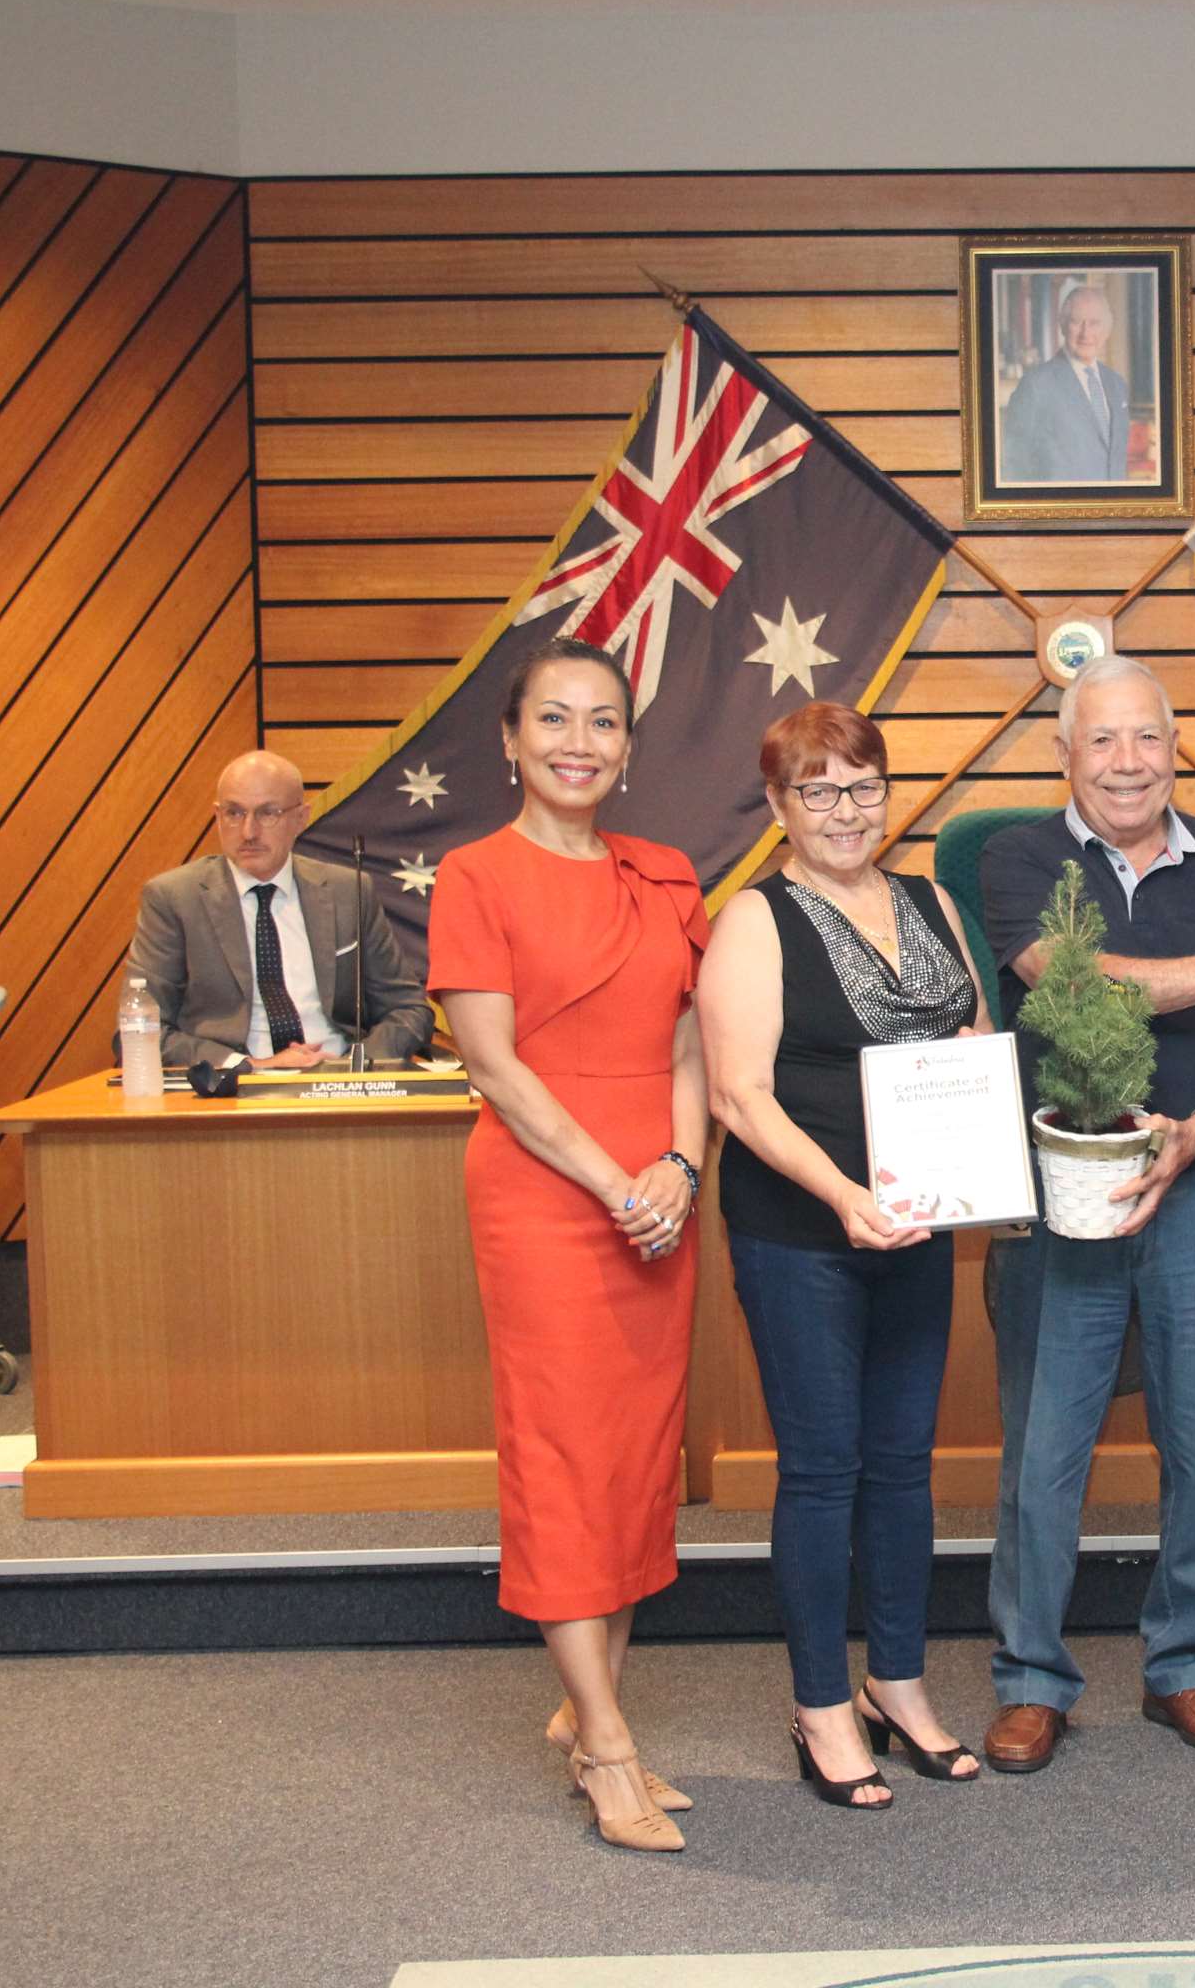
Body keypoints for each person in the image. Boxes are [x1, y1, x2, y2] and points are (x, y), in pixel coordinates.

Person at [975, 655, 1195, 1775]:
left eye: (1148, 740)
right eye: (1103, 740)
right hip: (1061, 1185)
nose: (1127, 762)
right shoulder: (1017, 853)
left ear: (1175, 748)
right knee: (1046, 1445)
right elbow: (1064, 980)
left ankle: (1187, 1660)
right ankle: (1032, 1675)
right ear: (1064, 752)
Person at [427, 638, 712, 1856]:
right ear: (509, 738)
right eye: (554, 719)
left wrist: (683, 1170)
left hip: (663, 1192)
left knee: (638, 1449)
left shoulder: (666, 871)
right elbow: (496, 1067)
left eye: (603, 722)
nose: (579, 742)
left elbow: (696, 1048)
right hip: (551, 1194)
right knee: (559, 1451)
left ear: (629, 747)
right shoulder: (474, 874)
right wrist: (616, 1182)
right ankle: (605, 1738)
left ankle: (584, 1700)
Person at [699, 702, 992, 1812]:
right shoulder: (756, 921)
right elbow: (739, 1094)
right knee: (824, 1472)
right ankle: (821, 1702)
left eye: (862, 785)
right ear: (778, 806)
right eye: (817, 789)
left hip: (916, 1226)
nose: (844, 809)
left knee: (904, 1465)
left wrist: (976, 1156)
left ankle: (898, 1682)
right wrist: (845, 1195)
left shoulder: (933, 902)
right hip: (801, 1233)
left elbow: (964, 1040)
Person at [127, 750, 434, 1070]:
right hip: (232, 1094)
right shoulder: (174, 898)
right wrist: (252, 1065)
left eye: (267, 813)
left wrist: (352, 1066)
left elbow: (409, 1009)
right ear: (217, 816)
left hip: (341, 1087)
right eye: (234, 813)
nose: (248, 831)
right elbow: (141, 1031)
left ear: (301, 817)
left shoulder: (348, 891)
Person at [998, 282, 1132, 485]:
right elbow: (1013, 466)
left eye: (1094, 323)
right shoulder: (1036, 385)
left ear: (1106, 330)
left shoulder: (1117, 385)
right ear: (1061, 325)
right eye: (1076, 322)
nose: (1086, 333)